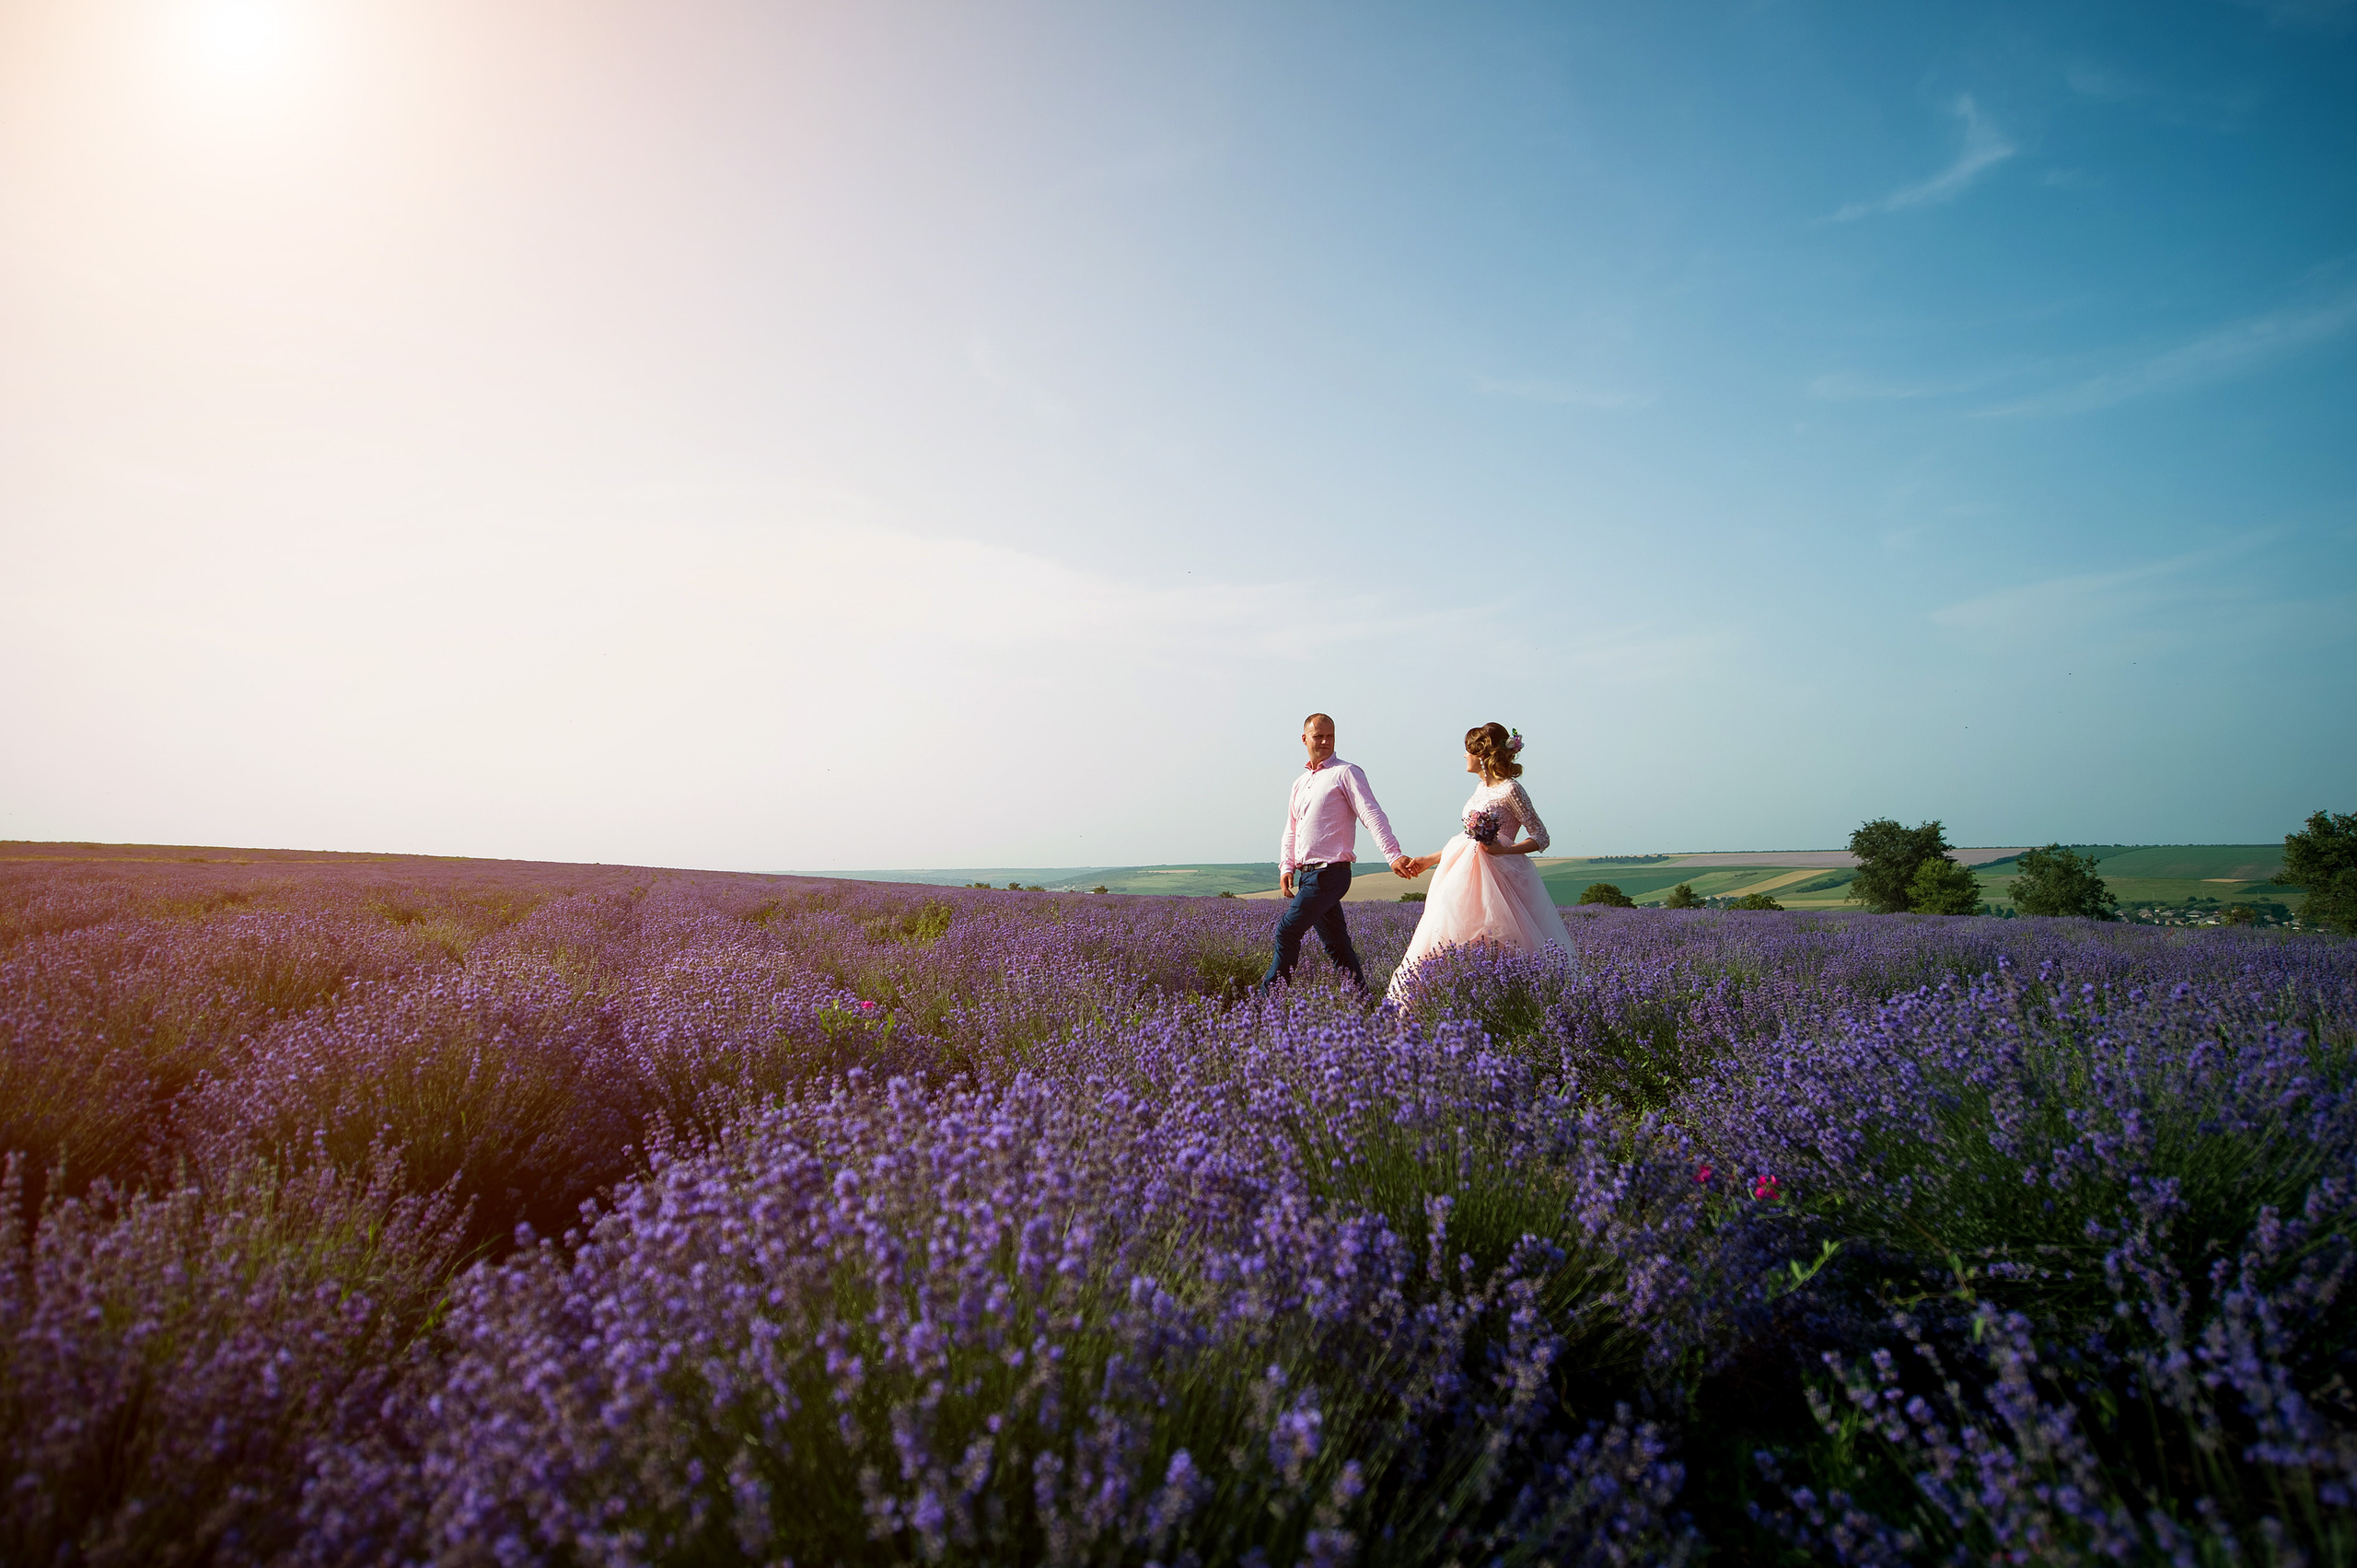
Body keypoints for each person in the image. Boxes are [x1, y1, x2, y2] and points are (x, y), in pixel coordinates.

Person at [1386, 722, 1574, 1001]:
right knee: (1446, 937)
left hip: (1500, 878)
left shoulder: (1511, 790)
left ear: (1483, 754)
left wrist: (1504, 850)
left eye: (1468, 751)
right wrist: (1430, 860)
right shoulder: (1479, 789)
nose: (1464, 756)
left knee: (1503, 942)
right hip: (1462, 875)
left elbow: (1541, 837)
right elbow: (1468, 839)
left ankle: (1513, 1001)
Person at [1262, 712, 1414, 993]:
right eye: (1318, 736)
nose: (1325, 741)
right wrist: (1287, 867)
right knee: (1337, 947)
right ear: (1305, 739)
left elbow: (1372, 814)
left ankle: (1266, 1004)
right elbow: (1291, 830)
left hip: (1331, 874)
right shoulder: (1300, 783)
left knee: (1287, 930)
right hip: (1308, 876)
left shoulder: (1346, 772)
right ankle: (1365, 1006)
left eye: (1330, 735)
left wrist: (1392, 854)